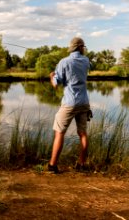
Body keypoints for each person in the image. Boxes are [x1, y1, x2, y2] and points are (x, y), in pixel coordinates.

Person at [47, 37, 91, 174]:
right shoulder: (86, 61)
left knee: (59, 132)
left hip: (69, 103)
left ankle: (53, 165)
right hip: (84, 102)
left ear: (72, 47)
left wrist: (51, 76)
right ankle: (81, 164)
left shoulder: (64, 62)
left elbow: (56, 84)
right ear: (80, 47)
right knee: (83, 134)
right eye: (83, 47)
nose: (84, 49)